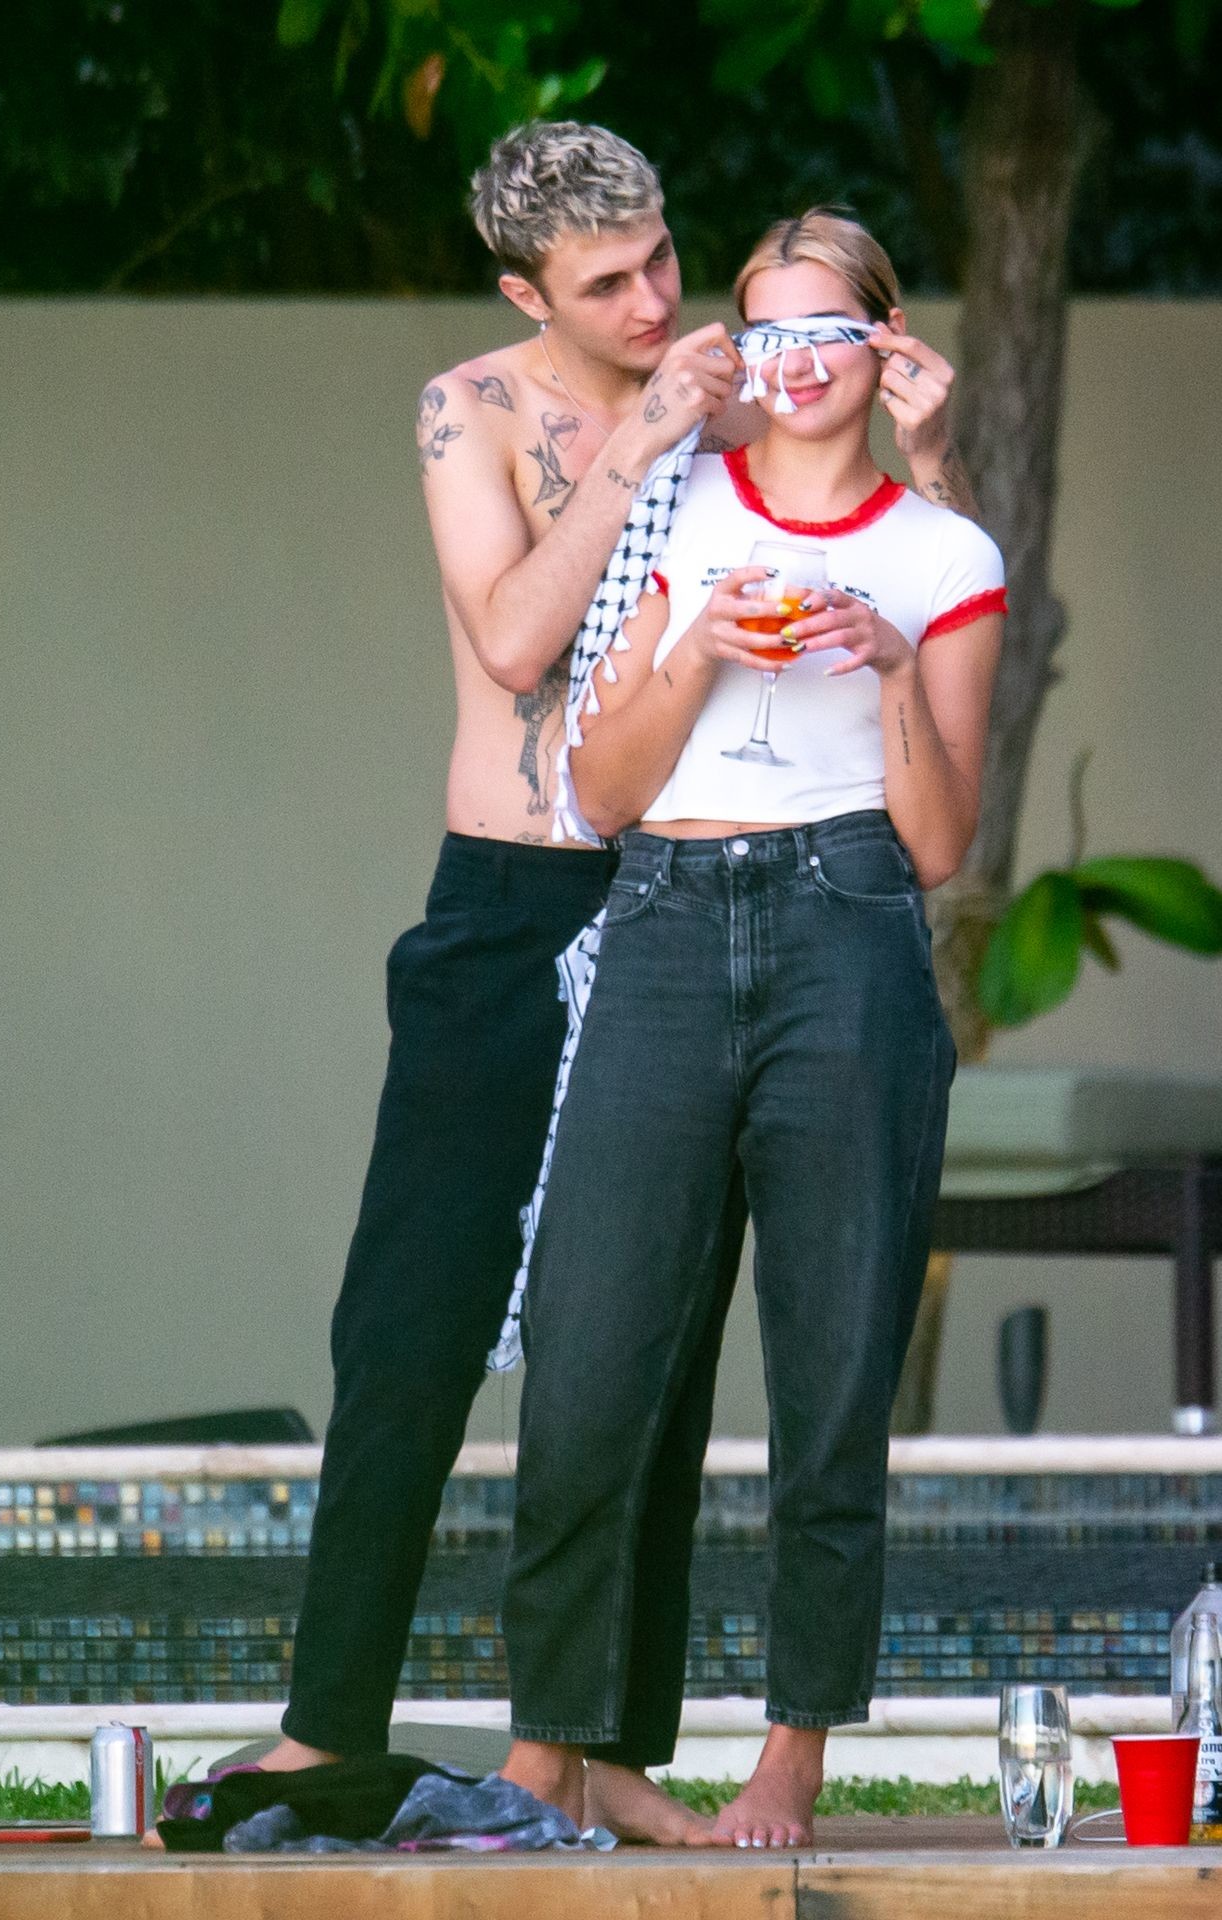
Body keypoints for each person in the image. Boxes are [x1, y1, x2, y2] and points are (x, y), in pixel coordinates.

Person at [247, 126, 970, 1848]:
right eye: (606, 283)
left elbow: (908, 570)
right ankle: (323, 1727)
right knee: (413, 1312)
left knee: (654, 1338)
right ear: (528, 296)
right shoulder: (475, 411)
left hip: (692, 891)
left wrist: (922, 447)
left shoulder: (743, 397)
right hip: (511, 900)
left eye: (661, 260)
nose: (653, 301)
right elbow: (515, 643)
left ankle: (596, 1748)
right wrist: (637, 447)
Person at [497, 208, 1005, 1849]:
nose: (791, 362)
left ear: (881, 343)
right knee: (589, 1352)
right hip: (662, 915)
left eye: (822, 331)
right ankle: (553, 1751)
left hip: (848, 929)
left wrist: (886, 666)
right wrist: (698, 650)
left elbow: (939, 846)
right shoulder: (677, 503)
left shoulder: (944, 557)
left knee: (831, 1362)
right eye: (763, 332)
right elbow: (598, 787)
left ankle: (793, 1748)